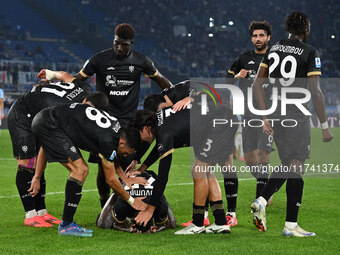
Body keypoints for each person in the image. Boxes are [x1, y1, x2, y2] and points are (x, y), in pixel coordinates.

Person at [251, 12, 333, 237]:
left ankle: (262, 200)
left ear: (288, 28)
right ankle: (290, 225)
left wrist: (265, 117)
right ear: (306, 29)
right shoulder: (310, 52)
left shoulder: (273, 49)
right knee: (297, 167)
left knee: (288, 164)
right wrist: (324, 125)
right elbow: (315, 91)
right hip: (296, 116)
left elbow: (257, 86)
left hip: (275, 115)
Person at [74, 23, 172, 209]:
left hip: (129, 123)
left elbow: (162, 81)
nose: (119, 48)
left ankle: (124, 204)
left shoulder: (141, 61)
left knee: (128, 164)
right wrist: (56, 85)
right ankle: (105, 205)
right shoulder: (99, 59)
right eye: (116, 43)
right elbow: (77, 80)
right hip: (104, 120)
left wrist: (177, 97)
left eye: (124, 45)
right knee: (104, 168)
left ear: (131, 43)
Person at [29, 92, 148, 237]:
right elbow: (110, 179)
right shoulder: (107, 139)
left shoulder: (115, 129)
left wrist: (125, 179)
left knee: (81, 169)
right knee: (81, 170)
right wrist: (131, 200)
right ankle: (66, 225)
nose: (125, 156)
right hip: (48, 124)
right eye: (126, 153)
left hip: (47, 120)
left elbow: (111, 157)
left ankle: (67, 224)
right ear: (122, 142)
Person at [130, 91, 238, 234]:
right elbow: (159, 147)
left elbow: (163, 176)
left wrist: (150, 210)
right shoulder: (160, 122)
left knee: (198, 170)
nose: (141, 141)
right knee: (205, 171)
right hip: (220, 120)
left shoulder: (164, 133)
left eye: (139, 136)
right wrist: (142, 167)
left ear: (145, 128)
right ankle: (220, 222)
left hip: (219, 123)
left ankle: (198, 224)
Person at [7, 69, 92, 227]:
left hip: (39, 116)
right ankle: (30, 215)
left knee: (38, 163)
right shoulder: (63, 110)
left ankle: (42, 212)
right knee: (28, 164)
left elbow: (65, 76)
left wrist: (50, 73)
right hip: (22, 115)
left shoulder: (85, 89)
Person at [226, 21, 274, 224]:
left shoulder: (275, 58)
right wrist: (237, 76)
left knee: (264, 155)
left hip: (269, 113)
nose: (258, 39)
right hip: (247, 115)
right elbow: (226, 83)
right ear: (251, 38)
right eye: (255, 35)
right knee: (250, 160)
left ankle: (259, 201)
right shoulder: (243, 58)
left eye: (262, 35)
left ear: (268, 38)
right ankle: (268, 187)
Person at [97, 170, 176, 233]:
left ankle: (156, 191)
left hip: (147, 178)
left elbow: (117, 225)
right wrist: (159, 227)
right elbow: (171, 223)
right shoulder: (123, 205)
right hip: (129, 177)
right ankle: (117, 191)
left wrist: (127, 229)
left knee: (158, 194)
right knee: (105, 222)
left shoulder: (122, 206)